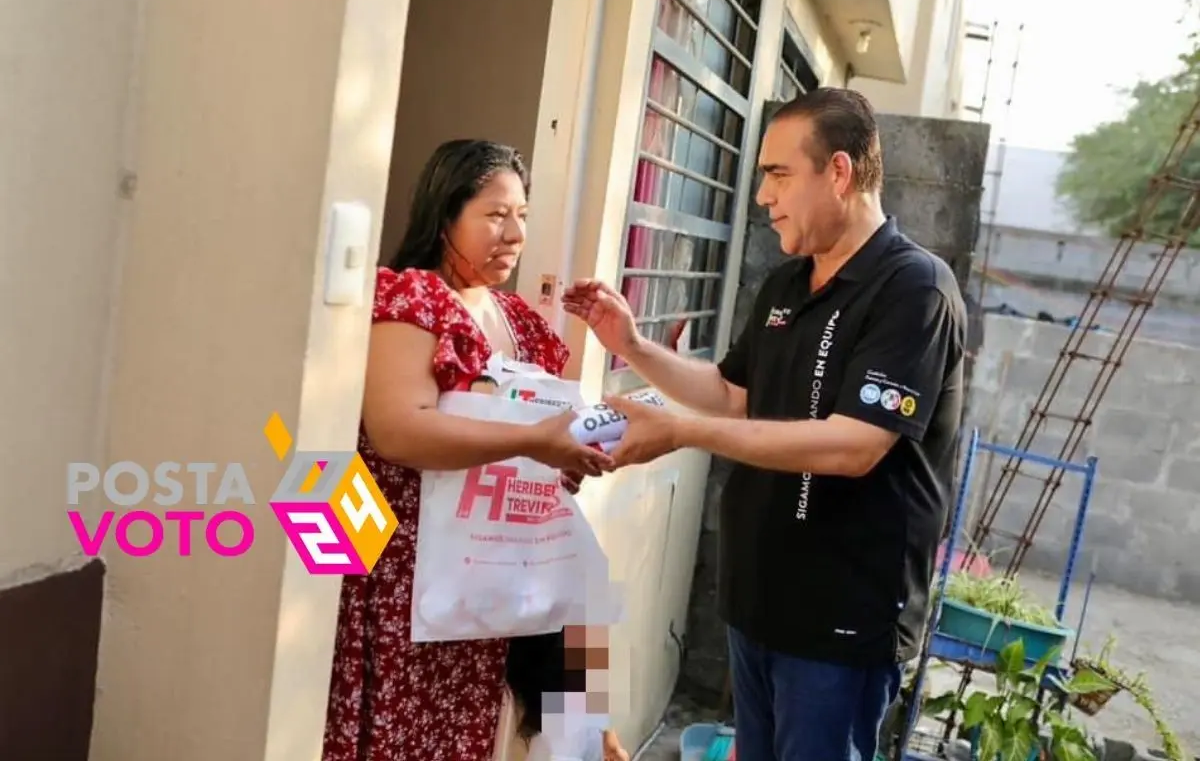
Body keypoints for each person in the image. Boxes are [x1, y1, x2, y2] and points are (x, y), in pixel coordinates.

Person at [562, 88, 966, 761]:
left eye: (779, 174)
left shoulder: (914, 290)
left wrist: (682, 434)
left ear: (838, 172)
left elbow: (856, 445)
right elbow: (729, 394)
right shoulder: (786, 286)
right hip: (759, 607)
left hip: (841, 622)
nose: (762, 196)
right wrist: (630, 345)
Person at [322, 138, 627, 761]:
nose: (513, 233)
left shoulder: (521, 322)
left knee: (462, 736)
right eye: (494, 215)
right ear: (444, 214)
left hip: (483, 587)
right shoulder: (412, 300)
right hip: (404, 578)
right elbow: (398, 429)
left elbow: (553, 435)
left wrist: (578, 451)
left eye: (521, 216)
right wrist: (536, 441)